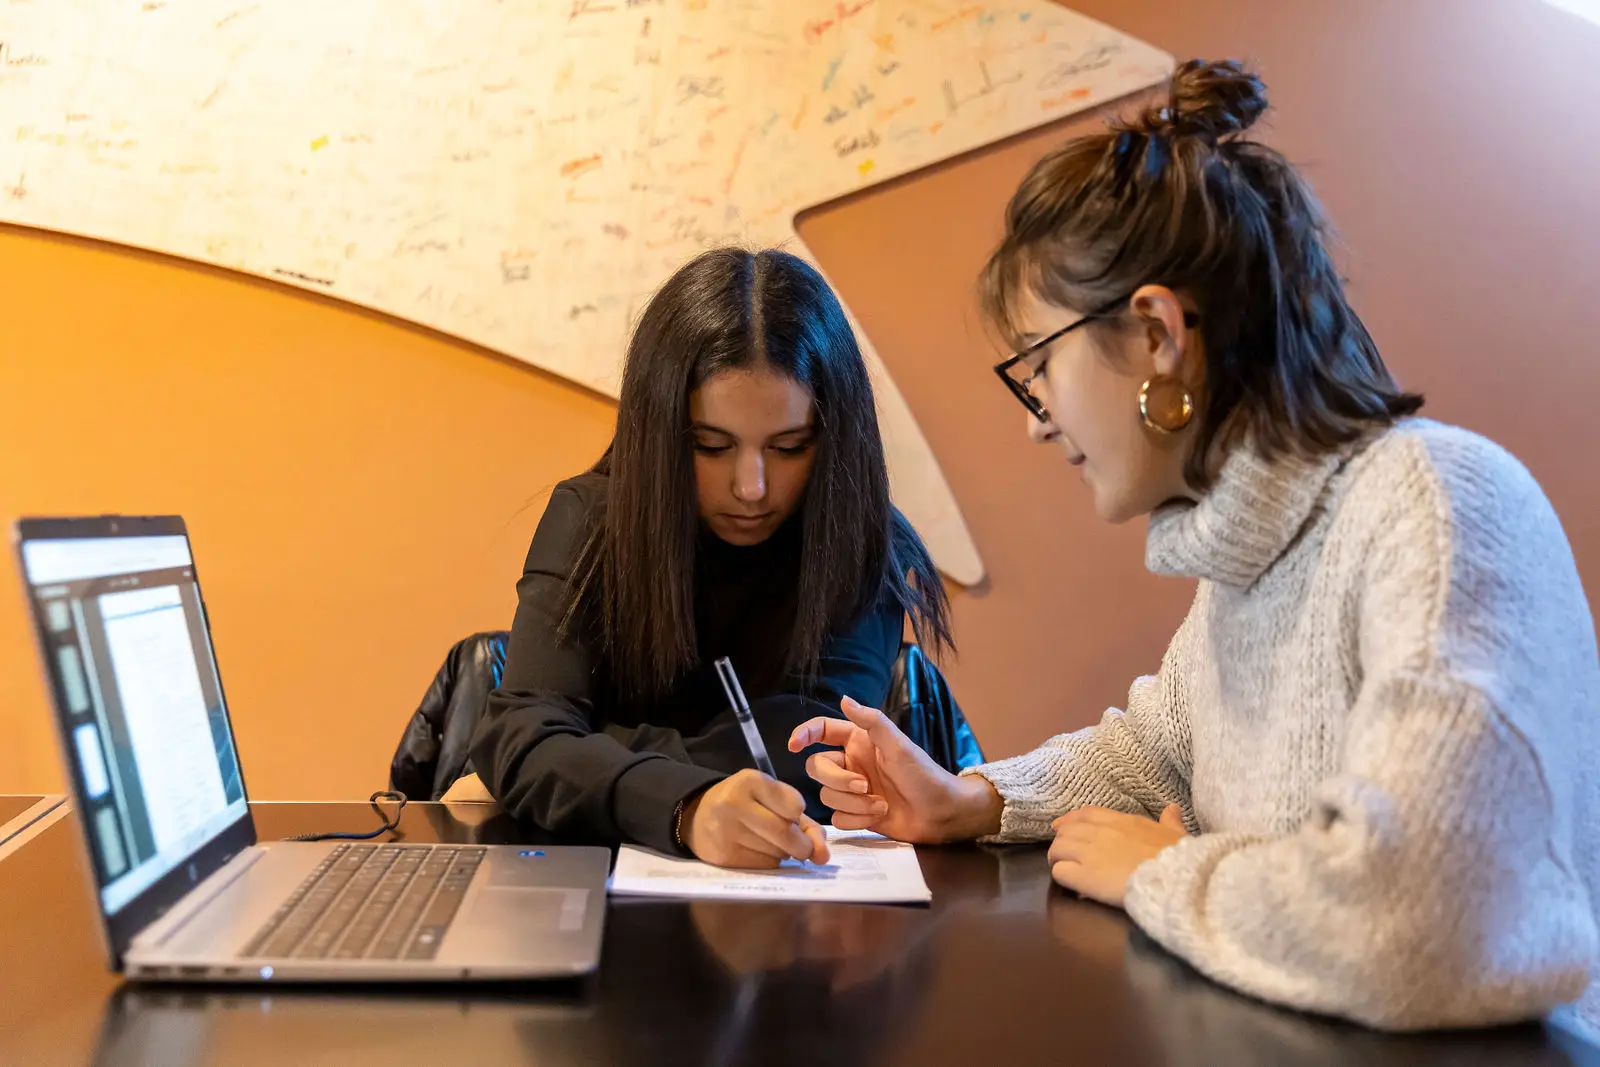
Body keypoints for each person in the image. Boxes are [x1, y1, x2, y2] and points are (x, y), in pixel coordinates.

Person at [789, 59, 1600, 1035]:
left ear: (1157, 333)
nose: (1036, 420)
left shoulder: (1433, 507)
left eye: (1039, 363)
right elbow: (1154, 753)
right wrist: (972, 798)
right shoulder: (1247, 561)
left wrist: (1167, 869)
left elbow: (1428, 917)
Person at [471, 247, 952, 870]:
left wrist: (584, 751)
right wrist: (688, 807)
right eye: (710, 445)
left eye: (788, 447)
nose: (751, 487)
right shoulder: (591, 519)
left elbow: (808, 756)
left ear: (831, 438)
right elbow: (522, 733)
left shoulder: (862, 541)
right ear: (659, 433)